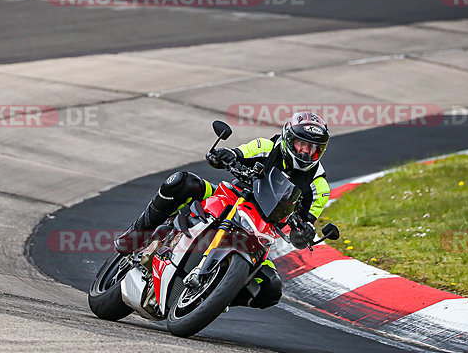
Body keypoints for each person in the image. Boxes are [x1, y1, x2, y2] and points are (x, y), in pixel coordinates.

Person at [113, 111, 332, 309]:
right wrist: (224, 155)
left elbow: (304, 227)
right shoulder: (266, 146)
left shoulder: (319, 187)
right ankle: (136, 234)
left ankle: (214, 294)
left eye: (312, 148)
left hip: (261, 232)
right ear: (287, 138)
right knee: (182, 182)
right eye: (300, 143)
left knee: (271, 288)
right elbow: (237, 153)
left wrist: (304, 233)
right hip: (230, 198)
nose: (304, 151)